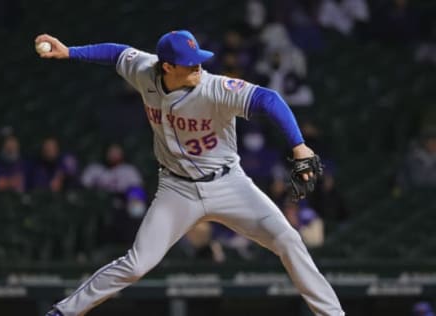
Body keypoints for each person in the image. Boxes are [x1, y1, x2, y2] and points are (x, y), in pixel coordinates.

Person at [36, 30, 344, 316]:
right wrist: (70, 52)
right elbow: (116, 53)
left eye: (199, 61)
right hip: (176, 190)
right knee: (136, 264)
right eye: (190, 64)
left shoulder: (214, 88)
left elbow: (269, 99)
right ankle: (63, 312)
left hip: (228, 184)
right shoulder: (145, 70)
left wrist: (299, 146)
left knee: (288, 240)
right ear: (167, 67)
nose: (198, 68)